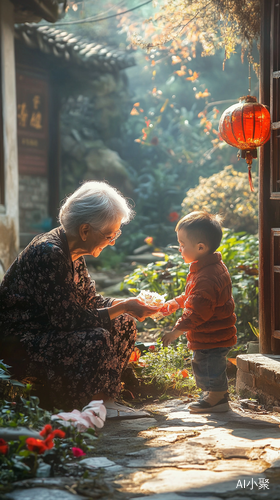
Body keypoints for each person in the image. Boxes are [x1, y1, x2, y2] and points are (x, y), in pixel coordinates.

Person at [0, 181, 160, 415]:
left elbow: (90, 301)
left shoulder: (72, 251)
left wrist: (126, 306)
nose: (112, 241)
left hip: (49, 331)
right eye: (109, 235)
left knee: (124, 322)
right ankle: (93, 404)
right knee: (96, 338)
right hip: (20, 340)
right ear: (85, 230)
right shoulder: (49, 252)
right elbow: (68, 320)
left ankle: (105, 400)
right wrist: (124, 305)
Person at [160, 211, 237, 413]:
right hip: (210, 333)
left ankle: (217, 398)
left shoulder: (207, 277)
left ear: (200, 247)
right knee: (206, 364)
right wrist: (176, 303)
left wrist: (176, 331)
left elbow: (196, 312)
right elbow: (194, 297)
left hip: (212, 335)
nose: (179, 248)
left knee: (209, 365)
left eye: (182, 244)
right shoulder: (205, 268)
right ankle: (213, 394)